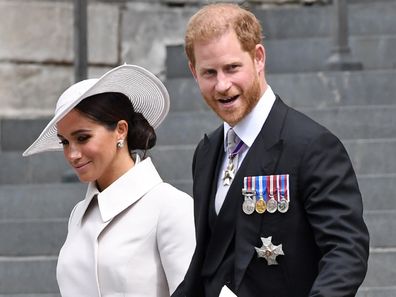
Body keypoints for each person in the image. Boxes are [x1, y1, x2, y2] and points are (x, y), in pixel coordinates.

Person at [173, 3, 369, 297]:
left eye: (232, 68)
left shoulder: (312, 146)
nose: (222, 85)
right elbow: (207, 261)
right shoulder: (207, 151)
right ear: (193, 72)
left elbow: (346, 252)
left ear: (258, 58)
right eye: (209, 73)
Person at [23, 64, 196, 297]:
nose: (72, 154)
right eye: (64, 142)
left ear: (120, 130)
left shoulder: (171, 207)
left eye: (82, 137)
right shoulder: (78, 215)